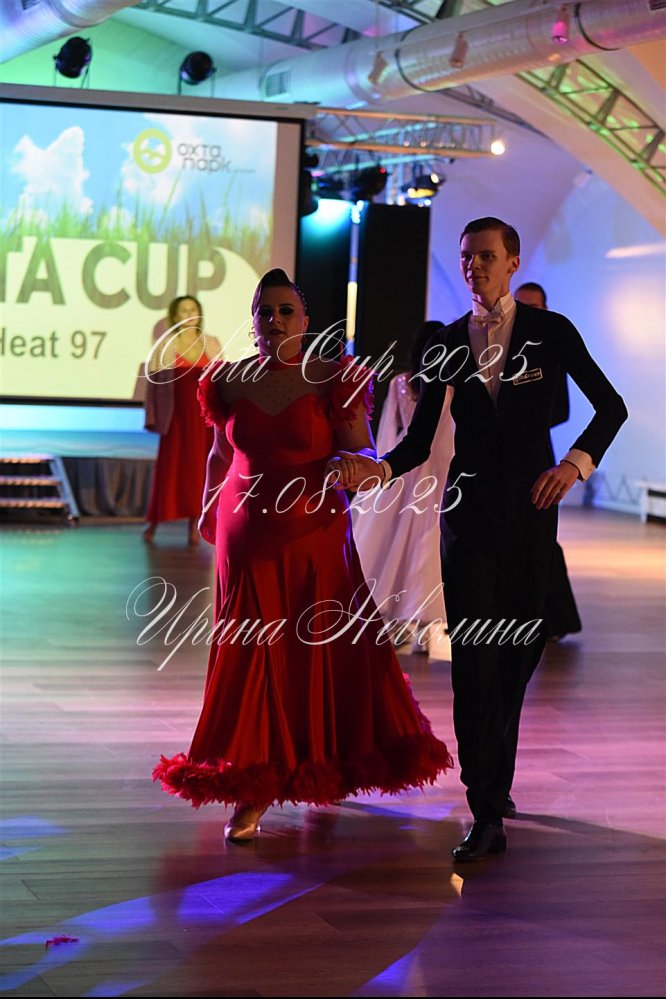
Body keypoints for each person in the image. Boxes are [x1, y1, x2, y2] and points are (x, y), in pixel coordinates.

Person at [334, 218, 627, 861]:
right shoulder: (444, 341)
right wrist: (377, 470)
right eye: (467, 257)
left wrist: (573, 466)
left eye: (487, 256)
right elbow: (419, 441)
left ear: (512, 261)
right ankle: (485, 806)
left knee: (516, 658)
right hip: (466, 519)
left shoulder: (551, 331)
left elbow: (612, 407)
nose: (475, 266)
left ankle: (495, 774)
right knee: (473, 660)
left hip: (531, 516)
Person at [153, 269, 452, 842]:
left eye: (285, 311)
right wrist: (208, 510)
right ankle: (252, 786)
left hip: (313, 532)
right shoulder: (227, 380)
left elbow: (363, 448)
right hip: (244, 537)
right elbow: (219, 455)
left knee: (318, 652)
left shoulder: (333, 379)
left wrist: (352, 466)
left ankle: (322, 766)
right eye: (264, 312)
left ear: (306, 320)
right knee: (252, 658)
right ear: (253, 320)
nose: (274, 321)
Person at [351, 321, 454, 656]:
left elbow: (388, 433)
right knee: (425, 542)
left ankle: (403, 623)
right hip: (434, 468)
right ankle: (419, 625)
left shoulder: (402, 383)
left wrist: (384, 472)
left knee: (404, 543)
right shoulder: (447, 384)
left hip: (409, 466)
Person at [514, 281, 582, 641]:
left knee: (542, 538)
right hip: (508, 458)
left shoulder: (553, 350)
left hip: (538, 457)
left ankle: (557, 618)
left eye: (535, 307)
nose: (528, 313)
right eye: (522, 306)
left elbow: (562, 410)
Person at [143, 296, 221, 545]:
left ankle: (196, 525)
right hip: (176, 420)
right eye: (183, 311)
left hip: (204, 421)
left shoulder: (211, 343)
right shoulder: (165, 346)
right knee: (171, 472)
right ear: (175, 316)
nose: (189, 314)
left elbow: (223, 380)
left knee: (202, 473)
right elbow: (153, 387)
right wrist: (151, 417)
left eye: (193, 310)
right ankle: (154, 523)